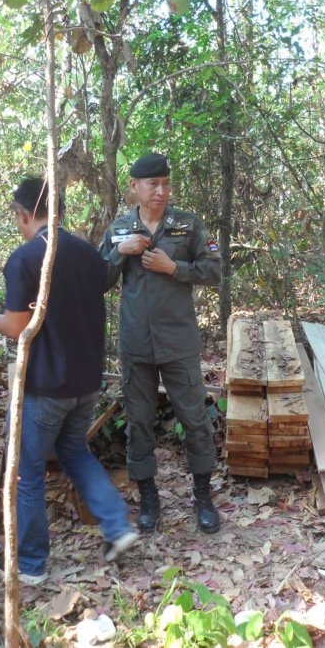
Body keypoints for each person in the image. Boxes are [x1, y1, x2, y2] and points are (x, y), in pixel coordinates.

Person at [0, 177, 139, 585]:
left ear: (22, 214)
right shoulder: (88, 254)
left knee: (27, 473)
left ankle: (30, 564)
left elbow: (18, 326)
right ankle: (117, 526)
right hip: (85, 381)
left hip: (45, 386)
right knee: (74, 452)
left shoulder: (25, 259)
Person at [99, 153, 222, 535]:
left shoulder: (188, 224)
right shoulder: (120, 229)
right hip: (136, 343)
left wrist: (174, 268)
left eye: (166, 183)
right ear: (134, 186)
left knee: (194, 419)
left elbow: (215, 270)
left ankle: (203, 496)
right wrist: (120, 252)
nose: (161, 191)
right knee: (139, 422)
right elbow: (98, 280)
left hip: (178, 341)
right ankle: (149, 499)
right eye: (153, 184)